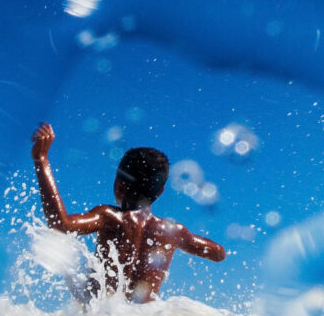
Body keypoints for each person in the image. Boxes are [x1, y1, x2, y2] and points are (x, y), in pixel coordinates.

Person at [31, 122, 226, 303]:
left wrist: (41, 160)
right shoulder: (172, 232)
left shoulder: (108, 216)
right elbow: (219, 254)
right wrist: (185, 238)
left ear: (120, 185)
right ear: (160, 191)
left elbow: (61, 224)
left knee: (76, 275)